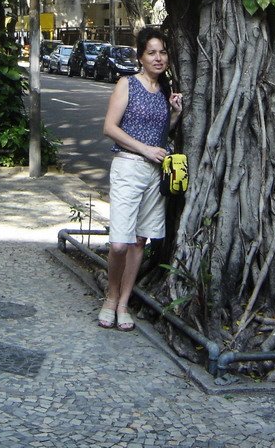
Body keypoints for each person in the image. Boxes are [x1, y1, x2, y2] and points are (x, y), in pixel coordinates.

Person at [99, 26, 183, 331]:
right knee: (119, 243)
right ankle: (110, 297)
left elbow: (160, 134)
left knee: (138, 241)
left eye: (162, 52)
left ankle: (123, 303)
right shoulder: (127, 84)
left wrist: (173, 116)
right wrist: (144, 149)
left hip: (154, 172)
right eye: (152, 52)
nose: (158, 58)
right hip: (128, 167)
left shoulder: (164, 90)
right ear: (141, 57)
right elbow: (110, 127)